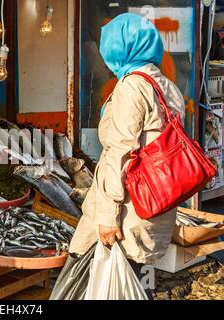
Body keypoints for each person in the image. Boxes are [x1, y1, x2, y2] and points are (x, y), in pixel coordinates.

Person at [69, 13, 185, 298]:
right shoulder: (167, 87)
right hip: (153, 210)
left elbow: (120, 152)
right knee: (128, 287)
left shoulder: (133, 86)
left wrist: (108, 216)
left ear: (120, 47)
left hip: (124, 214)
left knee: (90, 284)